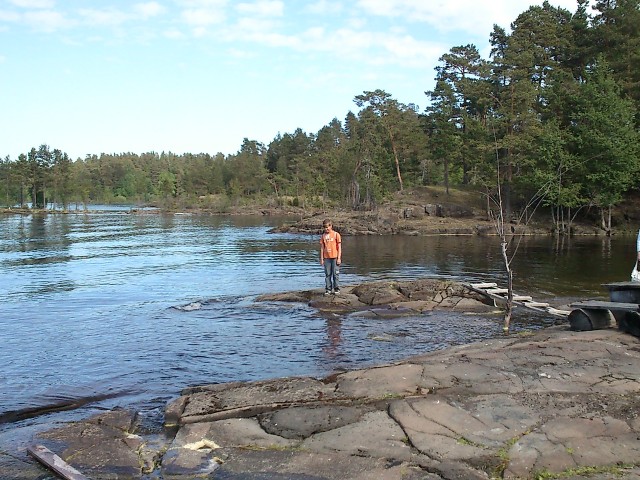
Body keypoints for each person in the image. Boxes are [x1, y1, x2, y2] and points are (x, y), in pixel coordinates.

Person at [320, 219, 342, 295]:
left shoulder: (336, 234)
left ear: (331, 226)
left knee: (335, 274)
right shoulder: (323, 236)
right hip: (326, 258)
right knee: (327, 274)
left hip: (335, 257)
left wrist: (339, 258)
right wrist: (322, 259)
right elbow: (322, 248)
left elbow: (339, 247)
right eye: (325, 227)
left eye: (328, 227)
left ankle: (336, 289)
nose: (326, 229)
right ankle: (328, 289)